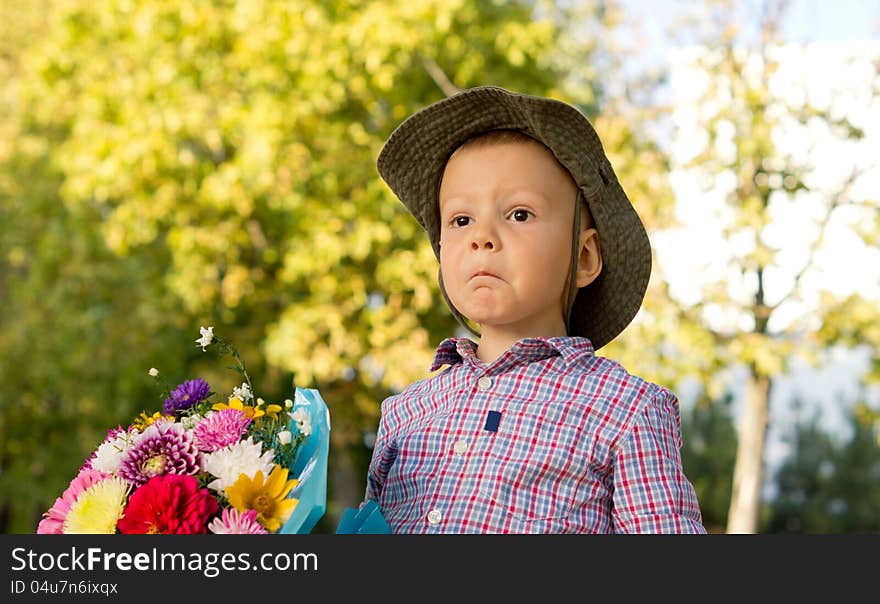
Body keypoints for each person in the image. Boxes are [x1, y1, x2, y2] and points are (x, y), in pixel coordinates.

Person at [362, 85, 705, 533]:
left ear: (583, 258)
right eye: (461, 220)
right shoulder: (404, 414)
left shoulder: (625, 411)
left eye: (519, 214)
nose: (480, 236)